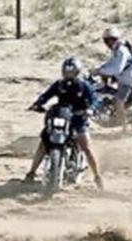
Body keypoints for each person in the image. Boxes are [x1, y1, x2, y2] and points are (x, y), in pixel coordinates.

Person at [24, 56, 104, 190]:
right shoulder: (59, 84)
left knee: (87, 148)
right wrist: (38, 104)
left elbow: (95, 100)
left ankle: (97, 176)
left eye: (71, 72)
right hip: (60, 117)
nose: (68, 75)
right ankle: (31, 173)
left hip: (78, 120)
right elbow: (46, 95)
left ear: (77, 72)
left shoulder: (84, 86)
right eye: (66, 72)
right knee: (44, 142)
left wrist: (90, 109)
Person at [94, 26, 132, 109]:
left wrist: (100, 71)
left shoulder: (121, 50)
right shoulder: (116, 50)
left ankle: (121, 121)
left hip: (127, 78)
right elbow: (110, 63)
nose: (108, 43)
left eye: (110, 40)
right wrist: (99, 69)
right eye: (107, 40)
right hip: (122, 76)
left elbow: (117, 69)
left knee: (118, 103)